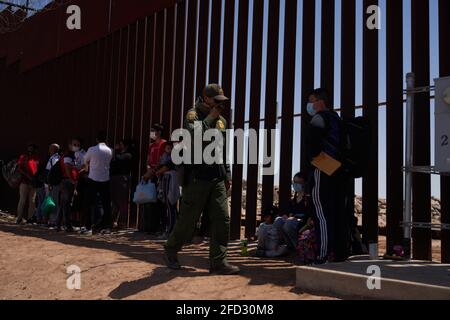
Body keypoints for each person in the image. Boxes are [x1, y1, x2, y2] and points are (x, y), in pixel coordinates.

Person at [164, 84, 239, 275]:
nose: (219, 105)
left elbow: (223, 150)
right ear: (206, 98)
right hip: (197, 177)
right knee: (188, 220)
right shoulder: (193, 115)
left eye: (222, 102)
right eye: (216, 101)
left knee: (222, 219)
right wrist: (210, 117)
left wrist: (227, 175)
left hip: (217, 177)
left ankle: (218, 262)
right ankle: (171, 250)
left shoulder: (222, 120)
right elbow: (193, 137)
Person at [306, 88, 347, 264]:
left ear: (320, 102)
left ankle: (322, 255)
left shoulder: (319, 117)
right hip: (339, 170)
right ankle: (339, 254)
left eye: (311, 100)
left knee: (320, 211)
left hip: (323, 167)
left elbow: (313, 139)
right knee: (337, 211)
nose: (309, 105)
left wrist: (314, 157)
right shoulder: (336, 118)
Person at [82, 131, 113, 234]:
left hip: (93, 178)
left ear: (96, 139)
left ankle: (88, 227)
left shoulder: (92, 149)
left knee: (88, 203)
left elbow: (85, 160)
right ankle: (106, 226)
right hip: (105, 179)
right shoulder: (109, 150)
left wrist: (88, 166)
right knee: (106, 204)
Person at [141, 124, 167, 234]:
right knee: (150, 201)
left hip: (160, 176)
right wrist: (148, 170)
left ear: (159, 132)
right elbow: (148, 160)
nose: (151, 133)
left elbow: (162, 161)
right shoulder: (151, 145)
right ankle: (150, 226)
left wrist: (152, 172)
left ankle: (160, 227)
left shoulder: (164, 144)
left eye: (153, 131)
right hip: (151, 175)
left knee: (160, 203)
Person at [156, 141, 180, 238]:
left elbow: (166, 167)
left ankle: (170, 231)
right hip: (167, 179)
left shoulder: (174, 157)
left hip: (171, 180)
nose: (168, 150)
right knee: (169, 206)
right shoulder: (164, 156)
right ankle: (172, 229)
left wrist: (158, 171)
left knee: (170, 205)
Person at [55, 139, 80, 232]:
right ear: (69, 145)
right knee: (66, 204)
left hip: (67, 181)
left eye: (78, 145)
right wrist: (71, 180)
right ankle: (68, 226)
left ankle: (58, 224)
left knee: (63, 204)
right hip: (67, 182)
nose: (76, 146)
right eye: (74, 144)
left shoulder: (71, 155)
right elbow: (67, 168)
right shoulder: (68, 155)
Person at [110, 139, 134, 228]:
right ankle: (113, 220)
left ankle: (122, 222)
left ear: (125, 146)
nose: (119, 146)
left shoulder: (128, 155)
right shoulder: (118, 154)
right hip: (114, 178)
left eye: (120, 144)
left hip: (122, 178)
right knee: (114, 200)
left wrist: (115, 151)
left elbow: (119, 160)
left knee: (122, 201)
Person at [16, 144, 40, 224]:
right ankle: (19, 218)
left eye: (33, 149)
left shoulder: (36, 158)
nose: (31, 150)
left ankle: (30, 219)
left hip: (33, 183)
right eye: (30, 148)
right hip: (24, 182)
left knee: (32, 201)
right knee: (22, 200)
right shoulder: (24, 157)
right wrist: (29, 176)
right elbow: (19, 168)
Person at [45, 144, 61, 227]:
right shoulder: (52, 158)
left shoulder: (55, 159)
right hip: (50, 184)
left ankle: (54, 221)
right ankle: (51, 221)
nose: (49, 150)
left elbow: (53, 172)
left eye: (50, 148)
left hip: (53, 184)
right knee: (50, 202)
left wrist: (50, 183)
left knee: (54, 202)